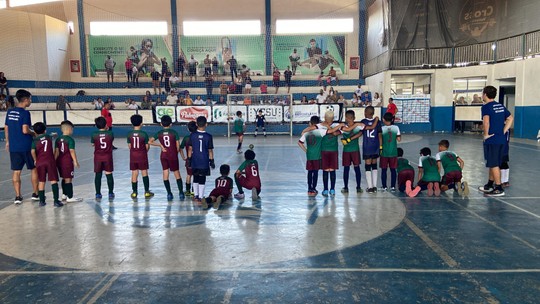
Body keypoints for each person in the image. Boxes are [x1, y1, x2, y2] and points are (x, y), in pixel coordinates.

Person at [478, 86, 513, 197]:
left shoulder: (486, 107)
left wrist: (486, 135)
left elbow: (486, 122)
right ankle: (489, 185)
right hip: (501, 139)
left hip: (492, 140)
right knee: (493, 162)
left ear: (485, 95)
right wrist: (503, 130)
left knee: (493, 163)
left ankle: (498, 188)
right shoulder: (500, 106)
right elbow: (510, 118)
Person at [4, 89, 39, 204]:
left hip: (14, 146)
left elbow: (6, 127)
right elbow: (25, 130)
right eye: (30, 99)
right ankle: (35, 193)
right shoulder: (25, 113)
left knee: (16, 171)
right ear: (25, 100)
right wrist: (33, 133)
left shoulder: (10, 112)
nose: (30, 101)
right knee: (33, 169)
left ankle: (18, 196)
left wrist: (8, 141)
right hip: (26, 145)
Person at [302, 111, 344, 197]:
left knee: (330, 170)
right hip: (326, 151)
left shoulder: (333, 126)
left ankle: (330, 189)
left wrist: (329, 127)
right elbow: (306, 130)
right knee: (328, 170)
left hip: (330, 150)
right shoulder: (321, 125)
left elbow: (336, 133)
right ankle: (328, 189)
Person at [149, 115, 185, 201]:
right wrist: (176, 153)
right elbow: (178, 145)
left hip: (164, 155)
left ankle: (169, 193)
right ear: (171, 124)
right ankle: (181, 192)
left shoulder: (159, 133)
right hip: (172, 155)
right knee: (176, 173)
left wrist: (160, 145)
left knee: (165, 173)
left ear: (161, 124)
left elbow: (149, 141)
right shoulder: (174, 133)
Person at [31, 122, 63, 207]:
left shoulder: (35, 141)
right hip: (50, 161)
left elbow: (33, 151)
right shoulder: (48, 137)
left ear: (35, 132)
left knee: (41, 181)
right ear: (45, 130)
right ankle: (56, 200)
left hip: (40, 162)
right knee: (53, 180)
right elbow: (53, 135)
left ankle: (41, 201)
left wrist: (35, 159)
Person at [187, 116, 215, 203]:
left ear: (196, 124)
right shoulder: (208, 136)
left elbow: (190, 149)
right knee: (202, 179)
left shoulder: (192, 135)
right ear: (206, 124)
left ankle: (196, 195)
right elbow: (210, 150)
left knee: (195, 178)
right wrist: (212, 161)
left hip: (195, 160)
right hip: (204, 161)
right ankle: (201, 196)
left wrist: (189, 159)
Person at [54, 120, 82, 203]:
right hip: (67, 162)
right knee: (68, 179)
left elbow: (56, 151)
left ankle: (64, 194)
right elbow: (72, 151)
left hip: (60, 162)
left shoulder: (58, 139)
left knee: (64, 178)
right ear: (69, 129)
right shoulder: (70, 140)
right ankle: (70, 196)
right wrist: (75, 161)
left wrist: (54, 161)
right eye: (72, 129)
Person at [127, 114, 153, 199]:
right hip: (142, 155)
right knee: (144, 172)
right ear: (141, 123)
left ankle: (134, 192)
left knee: (134, 173)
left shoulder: (129, 134)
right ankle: (146, 192)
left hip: (133, 156)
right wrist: (146, 150)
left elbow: (130, 146)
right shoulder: (144, 134)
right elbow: (146, 147)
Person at [340, 110, 364, 194]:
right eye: (348, 118)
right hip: (351, 150)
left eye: (349, 118)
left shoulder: (355, 127)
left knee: (351, 169)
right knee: (352, 168)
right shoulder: (345, 127)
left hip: (350, 150)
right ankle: (353, 187)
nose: (348, 119)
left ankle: (353, 187)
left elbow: (361, 133)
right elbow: (360, 132)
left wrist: (349, 139)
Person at [91, 116, 115, 200]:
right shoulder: (110, 133)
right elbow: (111, 140)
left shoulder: (94, 134)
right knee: (109, 174)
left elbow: (93, 144)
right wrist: (107, 129)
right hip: (107, 156)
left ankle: (98, 193)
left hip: (98, 157)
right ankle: (110, 192)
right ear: (105, 124)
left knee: (98, 174)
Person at [359, 106, 381, 193]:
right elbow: (379, 135)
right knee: (374, 164)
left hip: (367, 146)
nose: (364, 113)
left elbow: (360, 133)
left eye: (365, 111)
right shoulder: (378, 122)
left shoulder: (363, 122)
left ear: (367, 113)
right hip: (375, 146)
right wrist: (381, 146)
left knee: (368, 165)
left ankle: (370, 187)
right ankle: (375, 186)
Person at [380, 112, 401, 192]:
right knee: (393, 170)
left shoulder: (382, 128)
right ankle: (392, 186)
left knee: (384, 170)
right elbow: (399, 139)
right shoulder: (396, 128)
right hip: (393, 152)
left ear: (384, 120)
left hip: (384, 152)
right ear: (392, 119)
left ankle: (384, 186)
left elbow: (380, 139)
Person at [180, 121, 197, 197]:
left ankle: (187, 191)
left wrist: (183, 156)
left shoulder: (186, 138)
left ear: (188, 129)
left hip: (189, 159)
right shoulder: (198, 137)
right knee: (196, 175)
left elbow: (180, 148)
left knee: (189, 175)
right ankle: (194, 191)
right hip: (197, 160)